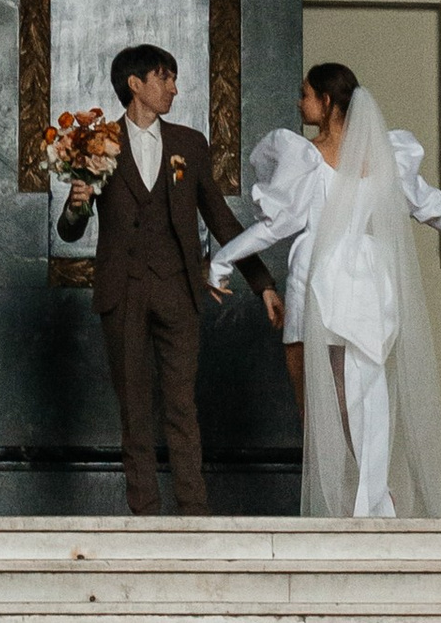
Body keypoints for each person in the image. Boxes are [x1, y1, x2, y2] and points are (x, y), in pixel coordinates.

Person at [208, 63, 441, 519]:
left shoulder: (333, 157)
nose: (299, 103)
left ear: (326, 102)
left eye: (305, 95)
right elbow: (426, 207)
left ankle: (366, 498)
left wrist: (222, 262)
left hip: (327, 280)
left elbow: (277, 226)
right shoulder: (339, 157)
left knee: (341, 394)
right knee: (338, 394)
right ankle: (353, 498)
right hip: (355, 279)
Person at [57, 43, 276, 515]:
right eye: (165, 77)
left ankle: (194, 513)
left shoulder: (190, 144)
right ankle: (144, 516)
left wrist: (262, 283)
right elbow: (69, 230)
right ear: (136, 84)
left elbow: (220, 218)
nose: (174, 88)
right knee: (134, 408)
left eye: (173, 78)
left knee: (182, 407)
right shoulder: (95, 143)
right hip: (122, 293)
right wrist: (77, 205)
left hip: (178, 291)